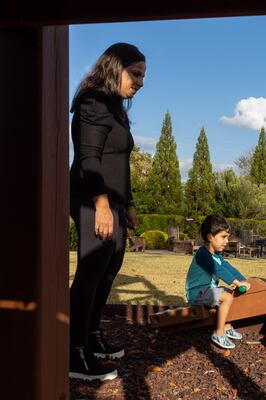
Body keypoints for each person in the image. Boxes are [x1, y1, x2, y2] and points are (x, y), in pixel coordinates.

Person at [69, 43, 146, 380]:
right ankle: (74, 354)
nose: (141, 82)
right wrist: (101, 204)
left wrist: (126, 204)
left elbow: (120, 163)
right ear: (116, 67)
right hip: (91, 198)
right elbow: (89, 159)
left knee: (110, 267)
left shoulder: (115, 108)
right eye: (137, 74)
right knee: (91, 271)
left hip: (112, 202)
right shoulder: (92, 103)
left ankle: (91, 336)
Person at [185, 215, 252, 349]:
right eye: (223, 237)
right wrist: (238, 283)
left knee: (230, 293)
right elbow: (219, 270)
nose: (226, 241)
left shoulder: (217, 255)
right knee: (226, 297)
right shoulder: (203, 255)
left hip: (207, 290)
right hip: (196, 293)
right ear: (210, 237)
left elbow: (228, 267)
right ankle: (219, 333)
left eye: (227, 237)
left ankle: (226, 326)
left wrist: (243, 279)